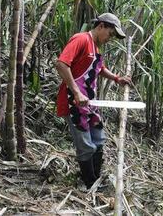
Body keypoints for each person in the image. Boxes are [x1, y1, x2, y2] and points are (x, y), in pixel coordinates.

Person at [56, 13, 131, 188]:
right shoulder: (81, 39)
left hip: (90, 103)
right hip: (74, 102)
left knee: (98, 139)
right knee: (85, 145)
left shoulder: (95, 48)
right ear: (101, 26)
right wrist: (76, 92)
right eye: (110, 34)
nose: (109, 39)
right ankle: (89, 183)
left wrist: (116, 78)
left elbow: (99, 68)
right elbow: (61, 64)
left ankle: (96, 179)